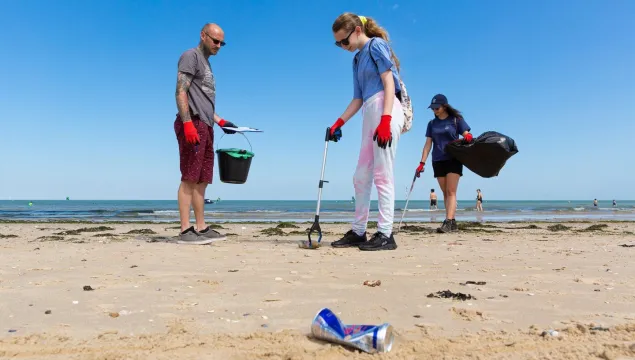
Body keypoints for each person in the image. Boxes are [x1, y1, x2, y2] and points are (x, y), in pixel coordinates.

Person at [328, 13, 405, 251]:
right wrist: (338, 123)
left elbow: (389, 82)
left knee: (383, 174)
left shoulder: (376, 45)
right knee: (361, 176)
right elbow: (358, 99)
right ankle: (359, 231)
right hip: (369, 112)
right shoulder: (356, 60)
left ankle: (385, 234)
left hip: (386, 109)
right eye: (338, 43)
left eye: (344, 41)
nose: (342, 47)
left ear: (357, 31)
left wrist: (386, 119)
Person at [174, 23, 239, 244]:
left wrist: (220, 121)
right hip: (192, 123)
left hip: (206, 125)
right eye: (215, 40)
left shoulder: (207, 65)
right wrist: (187, 124)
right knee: (189, 178)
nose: (218, 46)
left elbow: (203, 101)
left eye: (222, 43)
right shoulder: (190, 56)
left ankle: (200, 227)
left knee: (202, 181)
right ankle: (185, 230)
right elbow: (181, 91)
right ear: (203, 35)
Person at [415, 94, 473, 233]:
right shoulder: (432, 124)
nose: (434, 110)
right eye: (432, 107)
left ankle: (448, 221)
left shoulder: (456, 120)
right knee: (445, 193)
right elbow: (428, 144)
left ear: (444, 106)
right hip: (437, 160)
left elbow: (466, 133)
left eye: (437, 107)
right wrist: (422, 163)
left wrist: (468, 136)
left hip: (454, 159)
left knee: (451, 191)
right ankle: (452, 222)